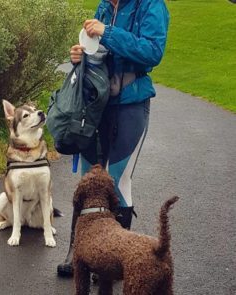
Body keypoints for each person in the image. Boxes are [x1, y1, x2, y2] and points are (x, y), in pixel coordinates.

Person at [57, 0, 169, 277]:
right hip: (97, 106)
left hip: (131, 105)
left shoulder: (152, 5)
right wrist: (81, 55)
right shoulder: (105, 5)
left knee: (117, 180)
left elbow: (152, 52)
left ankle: (117, 257)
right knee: (88, 180)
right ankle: (80, 251)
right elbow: (99, 52)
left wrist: (107, 32)